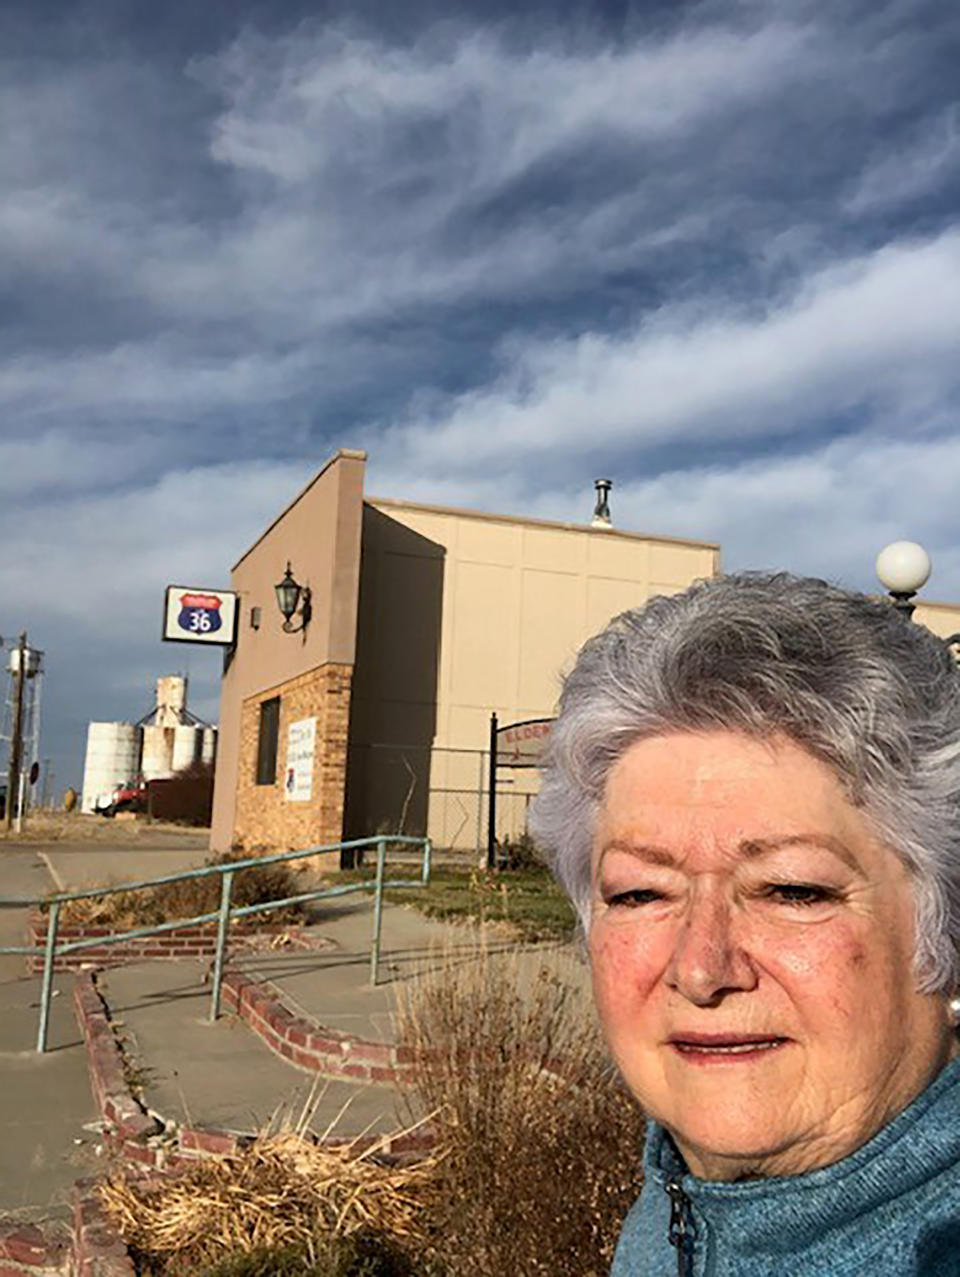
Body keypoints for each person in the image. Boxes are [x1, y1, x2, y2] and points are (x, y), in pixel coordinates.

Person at [529, 572, 960, 1276]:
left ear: (947, 933)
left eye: (791, 889)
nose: (701, 968)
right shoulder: (680, 1200)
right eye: (640, 892)